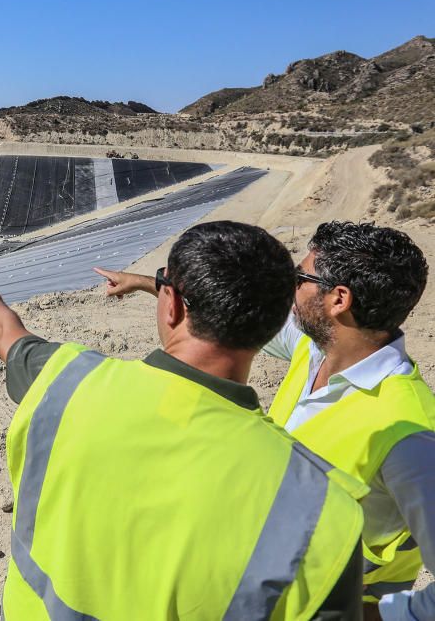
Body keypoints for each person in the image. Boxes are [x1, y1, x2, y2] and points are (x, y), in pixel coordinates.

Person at [0, 221, 367, 620]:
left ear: (171, 304)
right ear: (276, 323)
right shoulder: (324, 510)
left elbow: (10, 340)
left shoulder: (65, 378)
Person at [97, 221, 435, 621]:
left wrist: (377, 615)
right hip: (268, 582)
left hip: (331, 600)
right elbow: (229, 319)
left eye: (300, 278)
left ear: (339, 299)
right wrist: (151, 285)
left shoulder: (409, 435)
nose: (289, 289)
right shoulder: (315, 348)